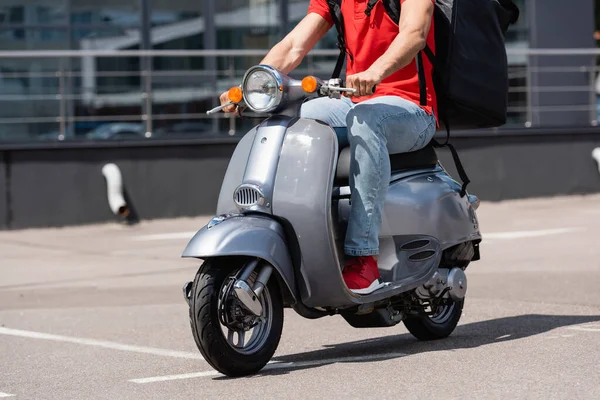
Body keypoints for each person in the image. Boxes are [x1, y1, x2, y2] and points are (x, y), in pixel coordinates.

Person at [219, 0, 438, 294]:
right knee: (297, 117)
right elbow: (294, 45)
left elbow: (414, 34)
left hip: (413, 110)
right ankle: (302, 235)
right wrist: (253, 87)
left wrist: (375, 72)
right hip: (357, 101)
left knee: (365, 119)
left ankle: (364, 257)